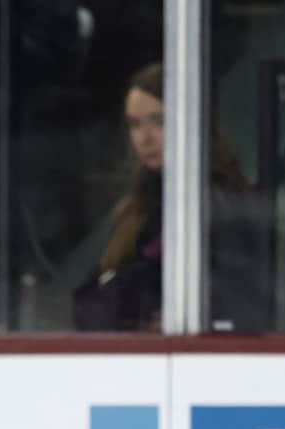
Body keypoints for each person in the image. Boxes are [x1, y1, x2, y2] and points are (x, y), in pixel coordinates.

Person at [72, 62, 263, 332]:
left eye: (158, 122)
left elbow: (234, 300)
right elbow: (90, 302)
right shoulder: (140, 204)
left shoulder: (217, 202)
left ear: (190, 121)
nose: (144, 138)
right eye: (135, 125)